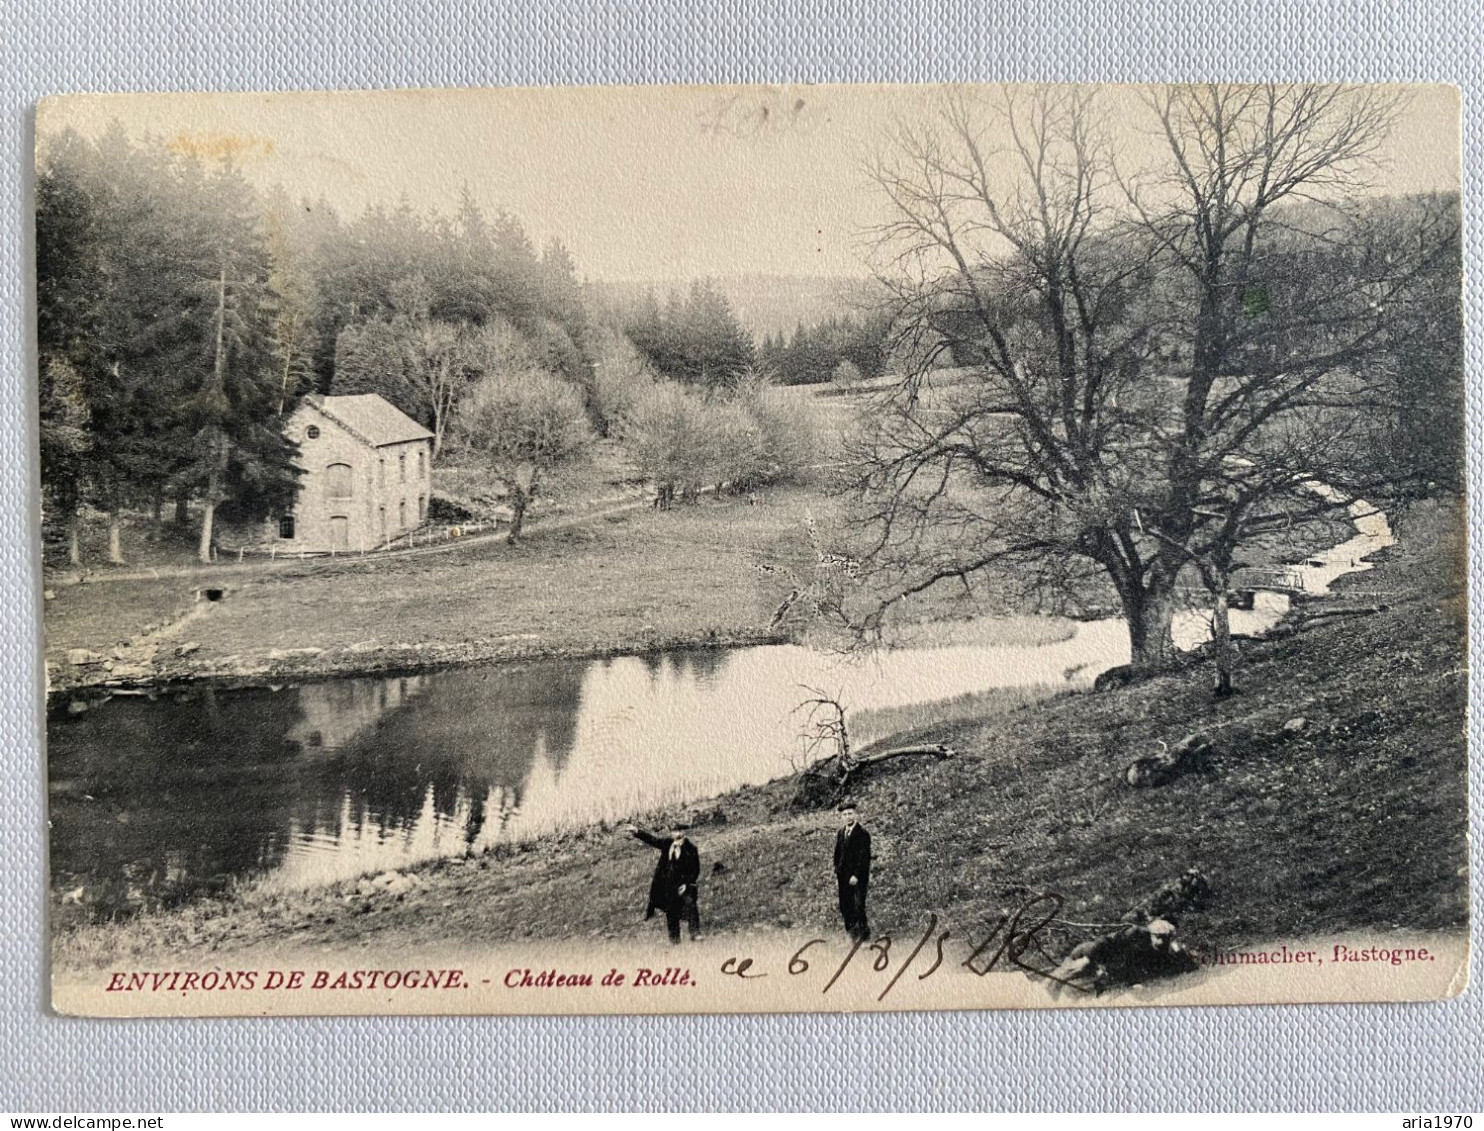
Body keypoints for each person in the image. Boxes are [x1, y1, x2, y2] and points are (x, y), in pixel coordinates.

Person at [624, 820, 702, 944]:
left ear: (684, 833)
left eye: (679, 830)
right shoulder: (667, 844)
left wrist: (686, 884)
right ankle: (674, 940)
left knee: (690, 905)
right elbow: (653, 840)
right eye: (674, 831)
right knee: (671, 912)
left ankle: (695, 933)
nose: (676, 833)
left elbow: (695, 870)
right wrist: (637, 832)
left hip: (685, 885)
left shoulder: (691, 849)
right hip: (669, 885)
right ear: (671, 833)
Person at [833, 800, 871, 941]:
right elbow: (838, 853)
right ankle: (851, 935)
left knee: (858, 905)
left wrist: (856, 875)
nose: (848, 816)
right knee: (845, 906)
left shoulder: (862, 834)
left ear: (855, 815)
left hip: (857, 878)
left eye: (850, 813)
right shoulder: (841, 832)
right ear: (841, 817)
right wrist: (837, 869)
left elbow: (864, 858)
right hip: (843, 876)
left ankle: (864, 938)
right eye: (845, 814)